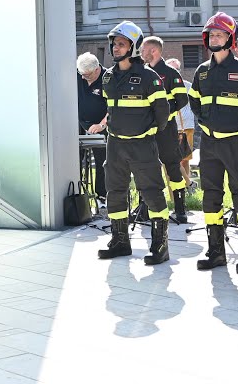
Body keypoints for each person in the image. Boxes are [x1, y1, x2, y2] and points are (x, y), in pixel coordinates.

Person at [188, 12, 238, 273]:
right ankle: (215, 252)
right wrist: (207, 124)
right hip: (210, 145)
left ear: (230, 38)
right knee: (211, 197)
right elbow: (194, 102)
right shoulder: (202, 72)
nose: (214, 38)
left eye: (220, 34)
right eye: (211, 34)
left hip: (236, 144)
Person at [97, 21, 172, 265]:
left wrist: (148, 131)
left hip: (142, 145)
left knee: (152, 192)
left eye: (121, 44)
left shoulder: (149, 77)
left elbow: (162, 111)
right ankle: (120, 241)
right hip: (115, 145)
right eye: (114, 44)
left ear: (134, 46)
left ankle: (160, 245)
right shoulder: (108, 77)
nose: (116, 48)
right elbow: (110, 109)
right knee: (115, 192)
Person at [140, 36, 192, 224]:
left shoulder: (170, 73)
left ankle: (180, 209)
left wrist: (164, 114)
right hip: (145, 130)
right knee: (144, 167)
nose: (140, 53)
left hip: (166, 129)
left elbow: (182, 100)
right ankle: (145, 209)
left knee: (172, 167)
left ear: (153, 51)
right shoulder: (142, 72)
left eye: (142, 49)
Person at [77, 52, 109, 205]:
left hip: (102, 125)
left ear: (97, 70)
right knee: (74, 159)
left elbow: (114, 106)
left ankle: (102, 196)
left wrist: (102, 124)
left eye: (87, 75)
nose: (83, 78)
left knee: (103, 161)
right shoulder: (79, 76)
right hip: (79, 122)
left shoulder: (109, 78)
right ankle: (76, 194)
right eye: (81, 74)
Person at [166, 57, 196, 187]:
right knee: (173, 161)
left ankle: (187, 187)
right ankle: (187, 184)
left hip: (186, 127)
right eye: (172, 69)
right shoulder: (161, 86)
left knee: (185, 159)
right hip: (169, 127)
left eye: (177, 69)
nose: (175, 72)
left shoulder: (188, 85)